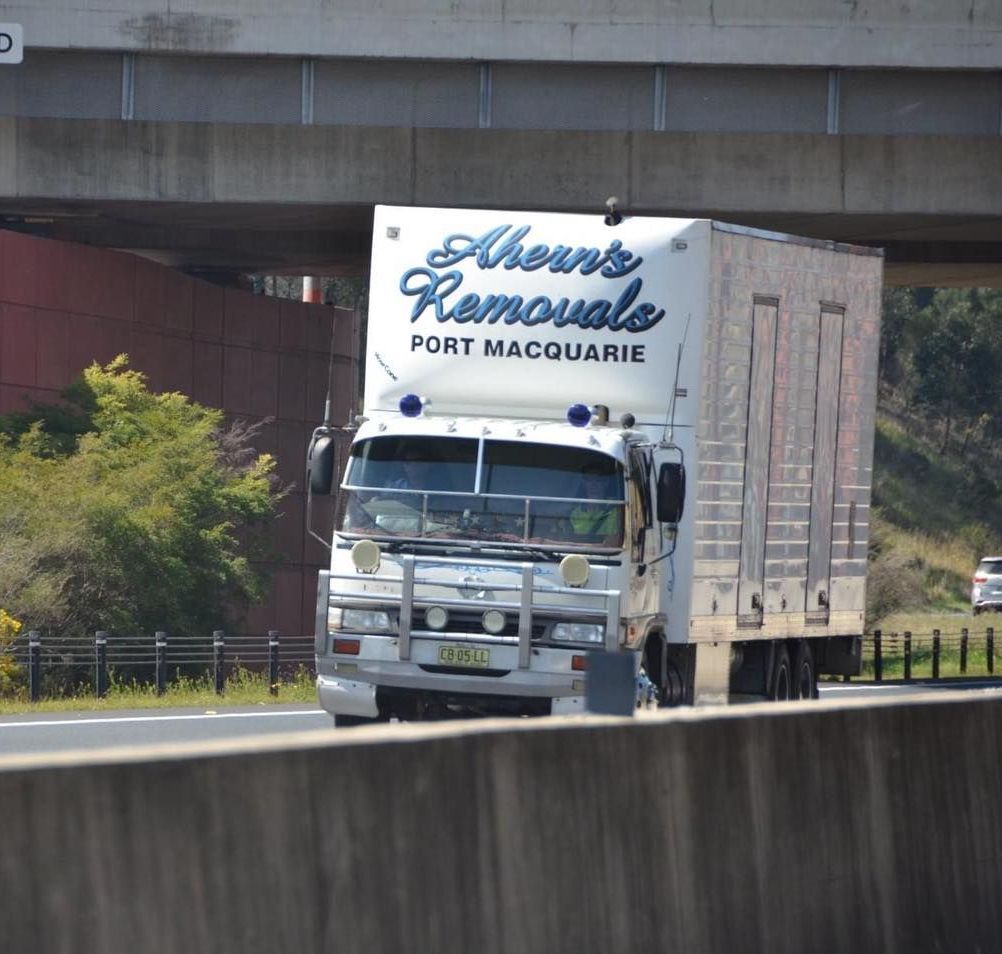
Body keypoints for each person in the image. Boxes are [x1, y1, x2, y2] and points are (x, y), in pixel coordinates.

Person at [568, 464, 622, 545]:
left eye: (598, 480)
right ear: (584, 483)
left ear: (606, 483)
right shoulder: (574, 513)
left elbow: (615, 541)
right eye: (589, 480)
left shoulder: (617, 508)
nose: (593, 485)